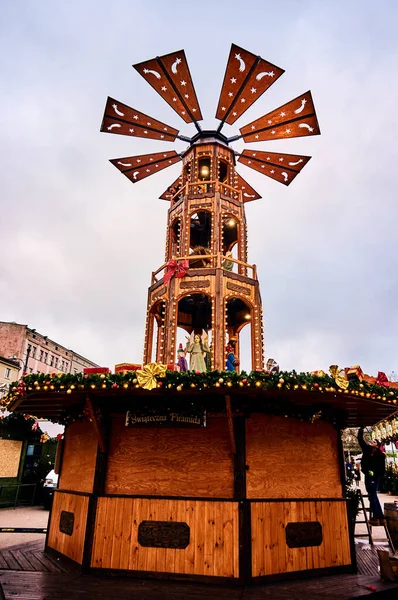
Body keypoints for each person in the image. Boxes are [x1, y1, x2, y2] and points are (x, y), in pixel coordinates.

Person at [358, 427, 386, 526]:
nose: (371, 441)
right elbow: (360, 440)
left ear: (377, 445)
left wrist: (373, 472)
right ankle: (380, 517)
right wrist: (361, 429)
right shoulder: (367, 451)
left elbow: (382, 469)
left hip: (375, 477)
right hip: (368, 476)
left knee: (372, 496)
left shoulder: (381, 456)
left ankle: (378, 517)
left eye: (374, 441)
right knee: (372, 496)